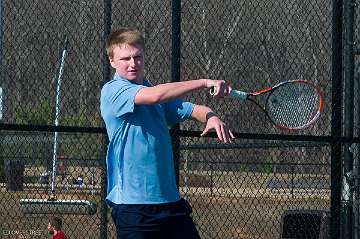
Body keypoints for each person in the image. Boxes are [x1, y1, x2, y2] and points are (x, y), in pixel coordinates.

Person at [100, 27, 234, 239]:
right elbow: (155, 96)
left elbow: (193, 109)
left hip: (171, 205)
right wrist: (204, 82)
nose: (133, 63)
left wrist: (211, 116)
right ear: (112, 61)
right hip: (133, 208)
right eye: (126, 58)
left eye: (138, 57)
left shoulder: (155, 95)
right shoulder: (113, 90)